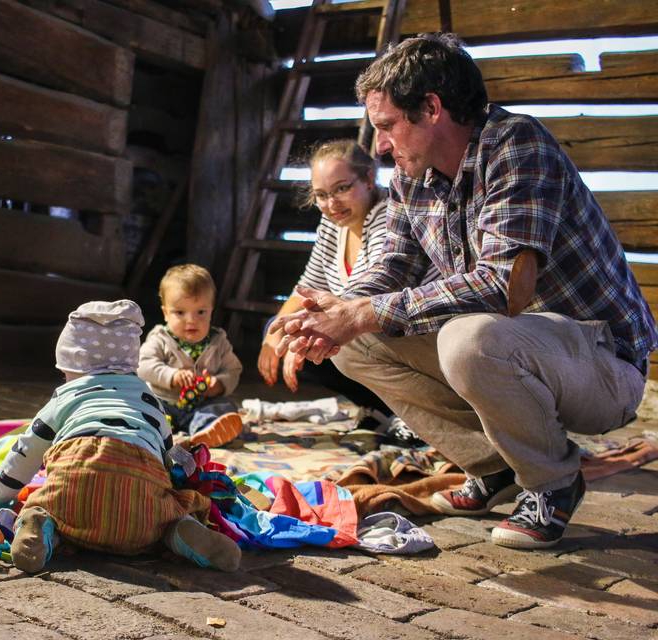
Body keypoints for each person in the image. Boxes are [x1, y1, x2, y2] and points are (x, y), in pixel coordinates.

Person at [271, 33, 657, 549]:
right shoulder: (413, 178)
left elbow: (506, 289)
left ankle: (553, 482)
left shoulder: (517, 147)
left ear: (431, 108)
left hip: (603, 366)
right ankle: (494, 465)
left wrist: (364, 311)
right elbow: (391, 267)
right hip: (517, 351)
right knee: (356, 344)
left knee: (468, 339)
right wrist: (335, 313)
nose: (380, 145)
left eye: (387, 126)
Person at [0, 300, 241, 573]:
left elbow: (26, 452)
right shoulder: (149, 400)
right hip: (140, 513)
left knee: (51, 507)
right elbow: (168, 462)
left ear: (74, 366)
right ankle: (180, 530)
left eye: (64, 371)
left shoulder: (66, 396)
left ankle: (40, 527)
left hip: (73, 491)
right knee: (166, 515)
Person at [257, 139, 436, 442]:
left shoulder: (386, 216)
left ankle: (413, 415)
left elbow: (373, 292)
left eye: (342, 189)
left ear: (368, 179)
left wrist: (302, 332)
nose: (332, 203)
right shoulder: (331, 226)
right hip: (355, 329)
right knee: (279, 329)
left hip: (406, 331)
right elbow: (308, 287)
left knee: (315, 335)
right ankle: (378, 410)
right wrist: (273, 336)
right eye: (322, 195)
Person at [138, 264, 244, 448]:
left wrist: (218, 384)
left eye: (201, 312)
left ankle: (205, 430)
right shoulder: (160, 338)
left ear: (211, 310)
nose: (191, 320)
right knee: (143, 404)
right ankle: (155, 429)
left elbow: (233, 370)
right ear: (165, 313)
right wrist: (172, 376)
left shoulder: (218, 342)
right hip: (165, 402)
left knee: (226, 406)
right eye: (180, 312)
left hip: (201, 405)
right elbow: (142, 365)